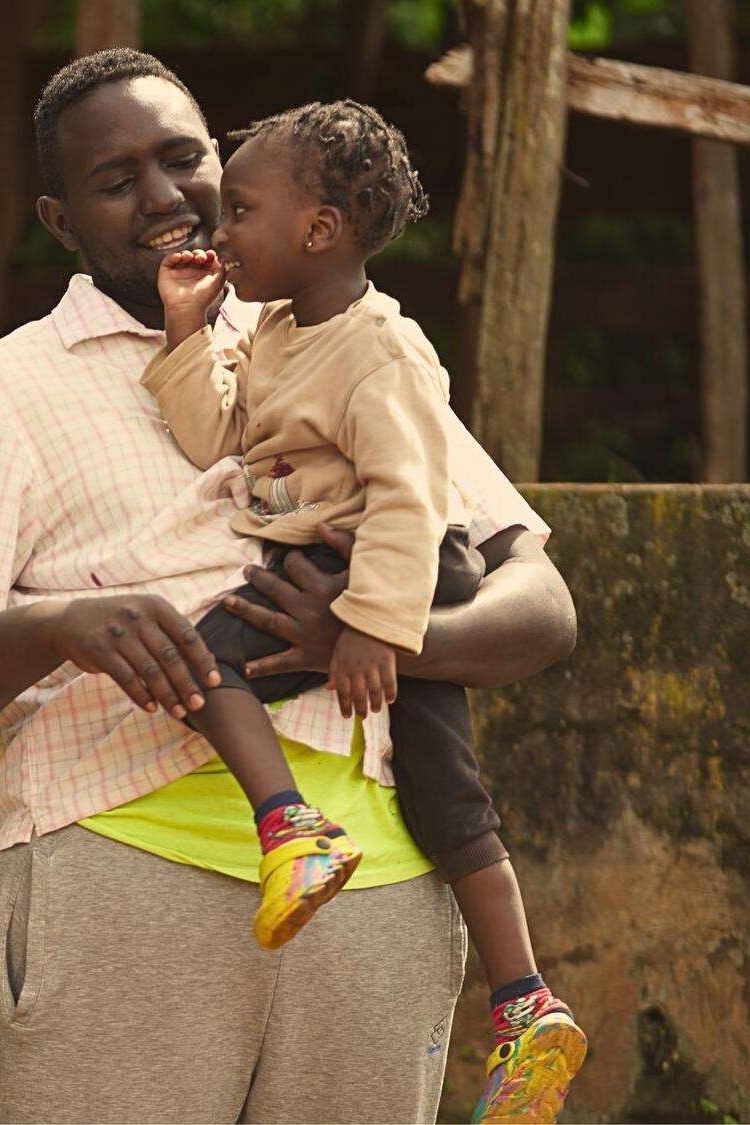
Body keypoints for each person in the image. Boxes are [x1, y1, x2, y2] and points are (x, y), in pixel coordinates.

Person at [0, 49, 578, 1123]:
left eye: (186, 158)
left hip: (382, 884)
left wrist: (368, 639)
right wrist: (60, 623)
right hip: (123, 878)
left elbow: (541, 604)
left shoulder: (347, 341)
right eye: (115, 179)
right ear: (59, 220)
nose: (165, 197)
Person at [143, 99, 585, 1120]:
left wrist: (380, 633)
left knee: (209, 668)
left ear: (319, 231)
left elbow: (413, 496)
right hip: (348, 583)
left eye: (242, 210)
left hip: (405, 576)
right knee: (443, 798)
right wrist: (184, 332)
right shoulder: (275, 333)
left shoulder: (382, 351)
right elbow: (219, 439)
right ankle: (529, 1005)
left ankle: (295, 830)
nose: (219, 232)